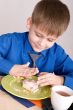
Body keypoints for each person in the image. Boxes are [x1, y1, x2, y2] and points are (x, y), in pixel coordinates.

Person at [0, 0, 73, 89]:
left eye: (50, 40)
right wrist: (10, 68)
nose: (42, 44)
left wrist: (60, 80)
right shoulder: (10, 41)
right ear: (29, 23)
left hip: (36, 102)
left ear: (57, 37)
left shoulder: (57, 53)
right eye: (38, 35)